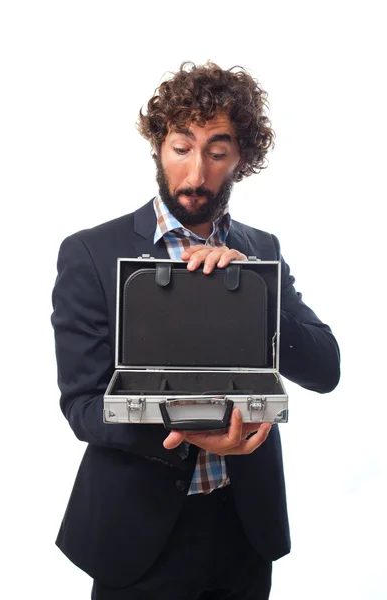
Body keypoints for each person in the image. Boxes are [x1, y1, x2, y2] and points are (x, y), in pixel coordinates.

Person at [51, 61, 340, 600]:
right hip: (138, 537)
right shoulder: (89, 252)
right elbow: (82, 406)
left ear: (242, 158)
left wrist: (253, 294)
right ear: (159, 145)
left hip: (243, 530)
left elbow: (326, 368)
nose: (196, 174)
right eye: (182, 147)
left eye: (217, 151)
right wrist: (190, 427)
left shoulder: (262, 251)